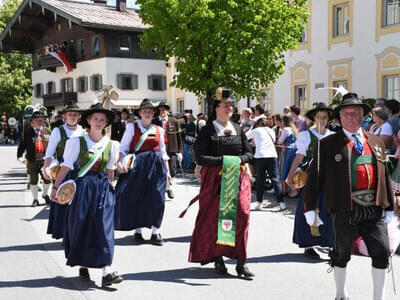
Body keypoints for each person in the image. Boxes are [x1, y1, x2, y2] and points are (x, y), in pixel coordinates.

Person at [303, 93, 395, 300]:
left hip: (374, 207)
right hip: (345, 207)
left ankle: (378, 297)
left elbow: (384, 174)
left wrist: (389, 207)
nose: (350, 117)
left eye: (355, 114)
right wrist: (310, 208)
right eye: (346, 114)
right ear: (339, 118)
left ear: (364, 116)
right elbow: (314, 179)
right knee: (342, 253)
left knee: (381, 252)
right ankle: (340, 294)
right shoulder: (328, 144)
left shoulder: (376, 141)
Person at [50, 102, 123, 287]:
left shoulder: (112, 145)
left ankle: (107, 270)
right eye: (96, 118)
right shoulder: (76, 142)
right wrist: (55, 187)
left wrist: (112, 190)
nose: (99, 122)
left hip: (103, 189)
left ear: (106, 123)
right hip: (83, 188)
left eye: (102, 120)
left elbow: (110, 170)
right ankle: (83, 264)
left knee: (104, 228)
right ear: (89, 121)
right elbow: (66, 166)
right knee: (81, 226)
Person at [189, 89, 254, 277]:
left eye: (231, 104)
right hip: (215, 179)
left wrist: (238, 160)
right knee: (215, 219)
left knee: (242, 214)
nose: (230, 107)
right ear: (216, 107)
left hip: (238, 178)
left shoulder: (238, 128)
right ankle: (218, 258)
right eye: (226, 104)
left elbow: (249, 152)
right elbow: (200, 156)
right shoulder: (208, 130)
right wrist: (222, 161)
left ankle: (241, 262)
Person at [115, 99, 169, 246]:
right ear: (139, 113)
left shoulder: (159, 129)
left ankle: (155, 231)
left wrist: (168, 172)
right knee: (138, 196)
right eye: (145, 111)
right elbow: (123, 147)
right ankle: (138, 231)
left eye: (150, 111)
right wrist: (120, 162)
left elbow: (163, 152)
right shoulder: (132, 127)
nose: (148, 113)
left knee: (158, 197)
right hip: (138, 165)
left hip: (157, 166)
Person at [286, 103, 334, 259]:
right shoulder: (306, 135)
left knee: (328, 209)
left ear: (328, 119)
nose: (321, 120)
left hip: (328, 178)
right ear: (314, 118)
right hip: (310, 177)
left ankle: (329, 242)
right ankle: (308, 245)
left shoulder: (333, 136)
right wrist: (290, 175)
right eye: (319, 117)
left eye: (325, 117)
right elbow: (299, 156)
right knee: (309, 207)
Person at [42, 103, 84, 241]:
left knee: (78, 203)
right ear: (64, 116)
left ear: (79, 117)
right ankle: (65, 233)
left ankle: (76, 232)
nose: (72, 116)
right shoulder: (57, 131)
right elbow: (50, 151)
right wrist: (46, 168)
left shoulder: (83, 131)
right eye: (70, 114)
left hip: (80, 170)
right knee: (63, 201)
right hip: (64, 170)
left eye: (75, 114)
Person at [246, 118, 286, 211]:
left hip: (260, 156)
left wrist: (251, 128)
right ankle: (282, 203)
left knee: (260, 180)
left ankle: (259, 203)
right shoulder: (271, 131)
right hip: (272, 155)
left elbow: (245, 136)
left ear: (259, 123)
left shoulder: (256, 130)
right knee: (275, 179)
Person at [17, 109, 51, 207]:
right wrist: (19, 156)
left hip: (45, 160)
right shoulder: (27, 132)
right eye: (37, 120)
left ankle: (45, 194)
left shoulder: (47, 131)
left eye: (41, 120)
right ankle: (35, 199)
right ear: (32, 122)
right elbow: (22, 145)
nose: (39, 122)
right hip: (32, 160)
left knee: (47, 179)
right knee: (33, 180)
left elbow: (52, 145)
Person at [153, 102, 183, 199]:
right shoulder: (154, 122)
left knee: (173, 169)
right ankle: (167, 188)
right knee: (161, 169)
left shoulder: (174, 121)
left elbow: (179, 137)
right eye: (160, 110)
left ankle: (168, 185)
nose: (162, 112)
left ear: (167, 111)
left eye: (164, 110)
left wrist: (180, 151)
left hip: (171, 148)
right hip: (158, 148)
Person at [277, 115, 298, 196]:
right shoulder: (294, 129)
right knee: (291, 170)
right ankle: (293, 190)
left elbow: (280, 141)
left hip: (287, 151)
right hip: (294, 151)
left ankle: (285, 191)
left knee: (284, 169)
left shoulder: (285, 129)